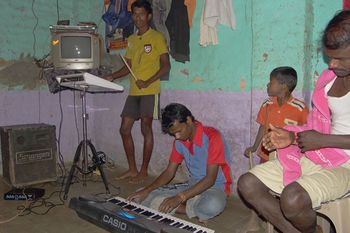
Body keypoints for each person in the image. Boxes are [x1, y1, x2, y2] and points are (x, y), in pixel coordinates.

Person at [238, 10, 350, 233]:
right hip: (320, 154)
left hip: (345, 165)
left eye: (340, 58)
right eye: (330, 57)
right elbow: (316, 125)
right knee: (247, 184)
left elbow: (321, 135)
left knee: (292, 199)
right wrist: (290, 136)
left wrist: (323, 140)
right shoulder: (328, 82)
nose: (332, 65)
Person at [127, 103, 233, 222]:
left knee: (212, 205)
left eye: (179, 131)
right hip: (192, 184)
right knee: (140, 195)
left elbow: (210, 179)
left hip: (215, 186)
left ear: (188, 120)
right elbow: (169, 172)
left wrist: (179, 197)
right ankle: (193, 206)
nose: (177, 137)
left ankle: (182, 203)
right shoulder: (179, 142)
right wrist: (147, 190)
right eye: (173, 134)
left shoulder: (213, 137)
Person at [105, 0, 170, 183]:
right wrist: (113, 76)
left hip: (150, 90)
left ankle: (143, 171)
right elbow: (128, 67)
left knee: (145, 129)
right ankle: (132, 169)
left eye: (141, 14)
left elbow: (166, 66)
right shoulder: (132, 40)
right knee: (124, 129)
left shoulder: (157, 37)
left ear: (149, 16)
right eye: (134, 14)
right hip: (134, 92)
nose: (137, 18)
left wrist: (148, 81)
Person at [244, 66, 309, 163]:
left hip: (289, 157)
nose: (268, 85)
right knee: (263, 177)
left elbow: (306, 132)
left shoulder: (300, 108)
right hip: (266, 153)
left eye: (271, 82)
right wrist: (254, 147)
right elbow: (263, 127)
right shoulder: (267, 104)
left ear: (283, 86)